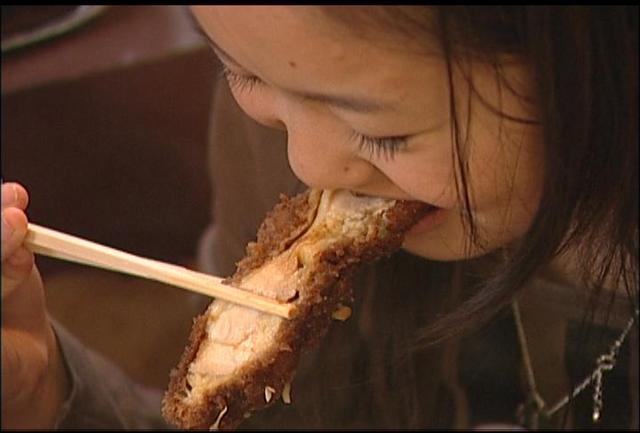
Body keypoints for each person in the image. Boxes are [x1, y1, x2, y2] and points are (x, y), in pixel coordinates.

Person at [2, 5, 637, 430]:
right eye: (241, 73)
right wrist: (46, 394)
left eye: (384, 133)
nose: (307, 164)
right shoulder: (279, 136)